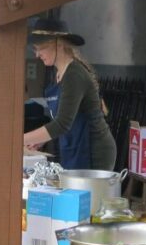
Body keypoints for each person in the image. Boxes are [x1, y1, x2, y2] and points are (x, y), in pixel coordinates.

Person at [23, 17, 116, 170]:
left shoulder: (74, 75)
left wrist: (18, 140)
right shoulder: (60, 73)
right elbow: (63, 119)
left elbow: (62, 124)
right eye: (35, 49)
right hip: (75, 144)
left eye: (41, 48)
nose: (37, 55)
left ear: (58, 44)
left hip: (92, 149)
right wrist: (41, 139)